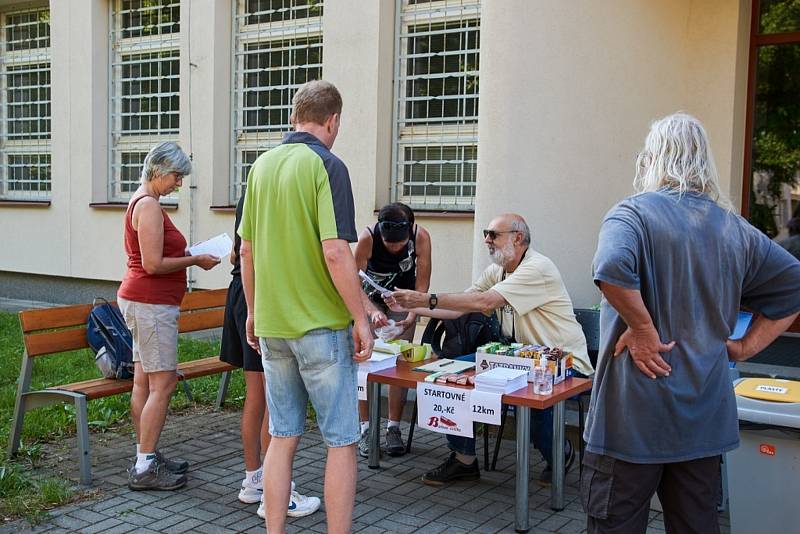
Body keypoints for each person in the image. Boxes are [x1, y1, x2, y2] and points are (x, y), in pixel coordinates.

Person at [585, 112, 800, 534]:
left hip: (631, 420)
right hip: (703, 419)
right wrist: (743, 348)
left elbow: (610, 267)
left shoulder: (632, 214)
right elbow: (793, 285)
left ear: (652, 159)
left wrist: (643, 330)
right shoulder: (734, 229)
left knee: (614, 525)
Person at [238, 80, 373, 534]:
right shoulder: (327, 164)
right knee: (341, 442)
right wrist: (361, 318)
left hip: (273, 326)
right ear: (332, 120)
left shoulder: (260, 166)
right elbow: (336, 252)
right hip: (320, 326)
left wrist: (254, 313)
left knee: (282, 436)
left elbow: (246, 252)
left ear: (295, 115)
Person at [386, 213, 594, 486]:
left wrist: (425, 297)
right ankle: (463, 459)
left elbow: (485, 302)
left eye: (493, 234)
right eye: (486, 233)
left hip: (563, 362)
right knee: (450, 377)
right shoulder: (498, 270)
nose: (486, 239)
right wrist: (409, 307)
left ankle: (560, 453)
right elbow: (461, 306)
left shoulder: (537, 268)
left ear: (518, 238)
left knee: (534, 399)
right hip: (517, 357)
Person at [117, 142, 221, 490]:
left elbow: (154, 257)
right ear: (159, 170)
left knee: (144, 382)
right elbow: (152, 264)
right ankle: (145, 466)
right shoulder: (147, 206)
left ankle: (145, 454)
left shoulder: (146, 202)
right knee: (163, 383)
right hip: (151, 304)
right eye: (176, 176)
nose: (179, 183)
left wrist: (192, 253)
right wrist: (194, 260)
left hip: (146, 302)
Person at [219, 194, 320, 518]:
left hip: (240, 292)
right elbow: (254, 252)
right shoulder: (273, 194)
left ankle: (254, 482)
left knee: (257, 395)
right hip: (259, 297)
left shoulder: (250, 193)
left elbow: (238, 251)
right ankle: (277, 494)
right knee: (274, 398)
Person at [356, 202, 432, 457]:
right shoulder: (367, 239)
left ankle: (393, 427)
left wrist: (412, 316)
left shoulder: (421, 237)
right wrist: (371, 311)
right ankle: (365, 428)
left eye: (399, 246)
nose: (395, 249)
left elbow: (422, 285)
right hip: (369, 300)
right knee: (365, 362)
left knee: (399, 362)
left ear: (409, 232)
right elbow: (352, 283)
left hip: (404, 299)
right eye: (389, 245)